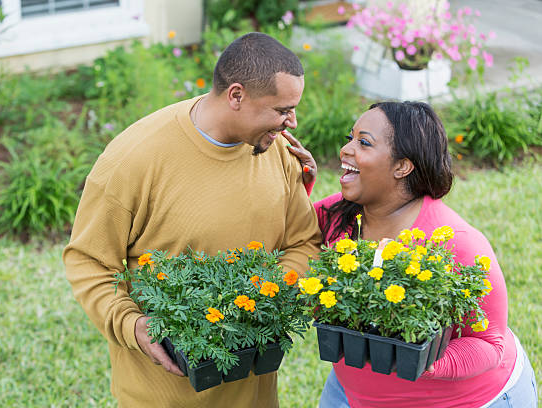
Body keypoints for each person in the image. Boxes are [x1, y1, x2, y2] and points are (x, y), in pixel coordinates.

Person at [62, 32, 321, 407]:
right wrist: (134, 326)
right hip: (163, 395)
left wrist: (264, 296)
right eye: (282, 110)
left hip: (253, 393)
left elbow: (303, 241)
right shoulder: (133, 159)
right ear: (236, 96)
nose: (292, 122)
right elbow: (88, 262)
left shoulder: (275, 149)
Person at [288, 101, 537, 408]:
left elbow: (488, 343)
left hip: (464, 401)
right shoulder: (339, 213)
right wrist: (299, 187)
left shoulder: (456, 243)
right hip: (353, 394)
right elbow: (294, 237)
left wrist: (424, 361)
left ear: (402, 166)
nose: (345, 150)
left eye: (363, 143)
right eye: (349, 138)